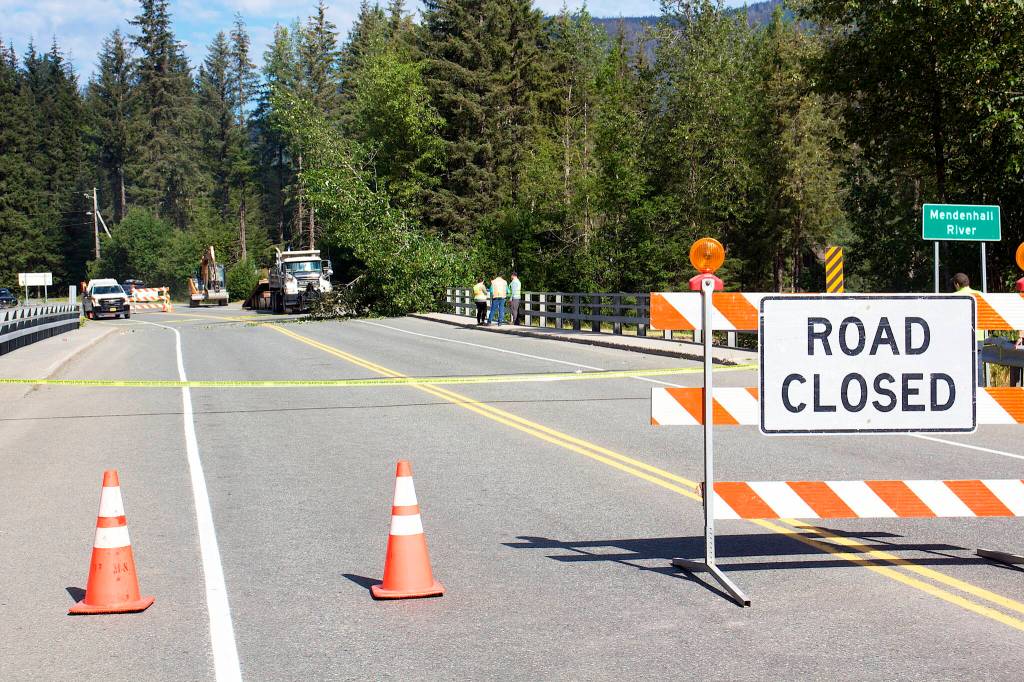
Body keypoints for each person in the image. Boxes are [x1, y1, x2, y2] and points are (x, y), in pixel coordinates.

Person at [952, 273, 985, 386]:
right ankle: (980, 392)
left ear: (957, 284)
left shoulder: (954, 297)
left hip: (961, 339)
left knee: (961, 368)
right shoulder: (980, 295)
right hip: (978, 337)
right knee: (978, 366)